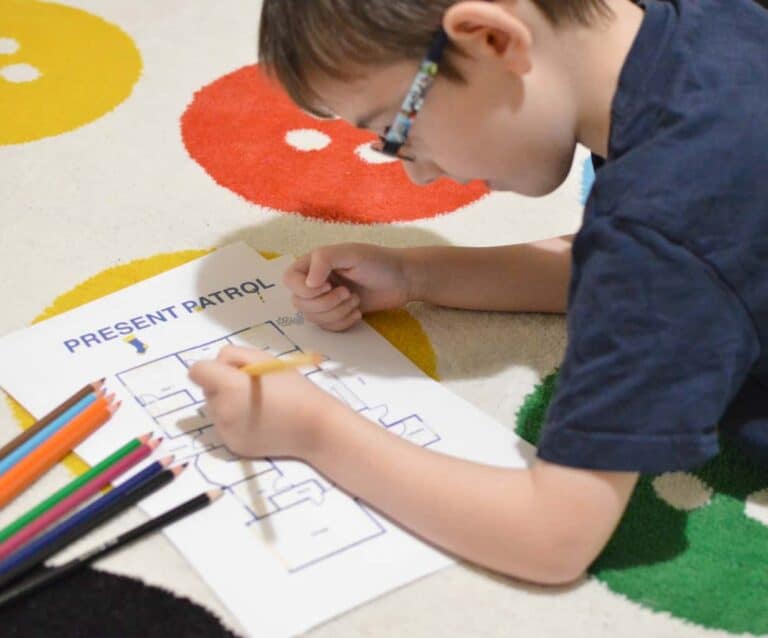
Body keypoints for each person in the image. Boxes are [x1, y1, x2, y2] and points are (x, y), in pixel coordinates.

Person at [189, 0, 768, 584]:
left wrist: (312, 430)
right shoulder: (696, 31)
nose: (415, 173)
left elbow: (551, 536)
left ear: (491, 39)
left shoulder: (664, 225)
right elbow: (681, 273)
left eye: (396, 131)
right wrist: (421, 275)